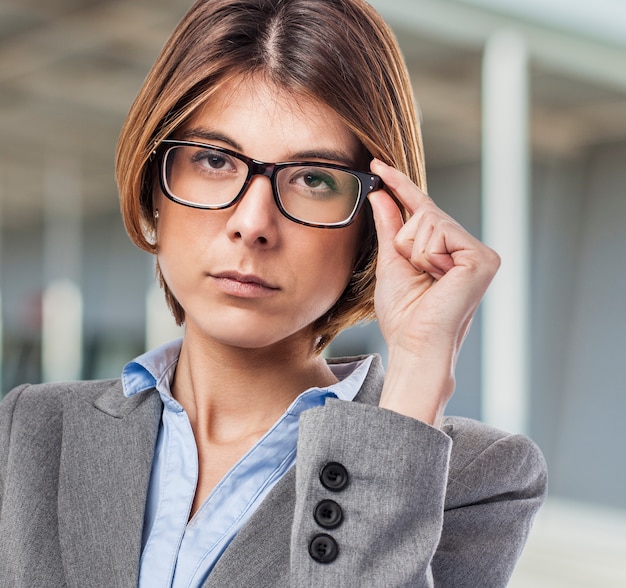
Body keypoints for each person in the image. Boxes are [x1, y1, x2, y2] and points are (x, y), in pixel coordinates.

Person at [0, 0, 547, 586]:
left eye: (314, 179)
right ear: (154, 183)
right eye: (213, 159)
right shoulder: (30, 431)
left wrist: (417, 375)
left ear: (375, 220)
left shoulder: (471, 477)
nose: (252, 222)